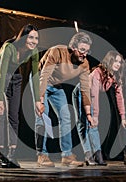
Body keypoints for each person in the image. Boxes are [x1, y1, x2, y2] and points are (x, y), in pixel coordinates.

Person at [35, 31, 93, 167]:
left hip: (56, 86)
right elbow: (44, 75)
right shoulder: (57, 52)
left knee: (66, 116)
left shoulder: (84, 64)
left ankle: (67, 155)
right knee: (43, 116)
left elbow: (85, 90)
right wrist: (41, 100)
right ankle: (42, 154)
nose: (84, 54)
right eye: (82, 50)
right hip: (40, 81)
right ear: (73, 48)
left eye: (87, 51)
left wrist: (89, 114)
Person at [0, 24, 40, 168]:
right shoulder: (9, 48)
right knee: (0, 115)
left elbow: (35, 76)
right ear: (23, 37)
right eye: (31, 37)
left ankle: (12, 154)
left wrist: (37, 100)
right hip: (0, 76)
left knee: (14, 117)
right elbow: (2, 73)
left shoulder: (34, 51)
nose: (34, 41)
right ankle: (1, 155)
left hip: (16, 78)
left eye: (36, 38)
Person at [72, 50, 126, 166]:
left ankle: (98, 156)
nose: (117, 64)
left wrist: (123, 117)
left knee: (93, 127)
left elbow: (120, 98)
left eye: (119, 62)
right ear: (109, 61)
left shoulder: (116, 75)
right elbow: (93, 95)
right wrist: (93, 115)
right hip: (82, 92)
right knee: (84, 123)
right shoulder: (97, 73)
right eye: (115, 61)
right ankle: (88, 155)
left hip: (92, 96)